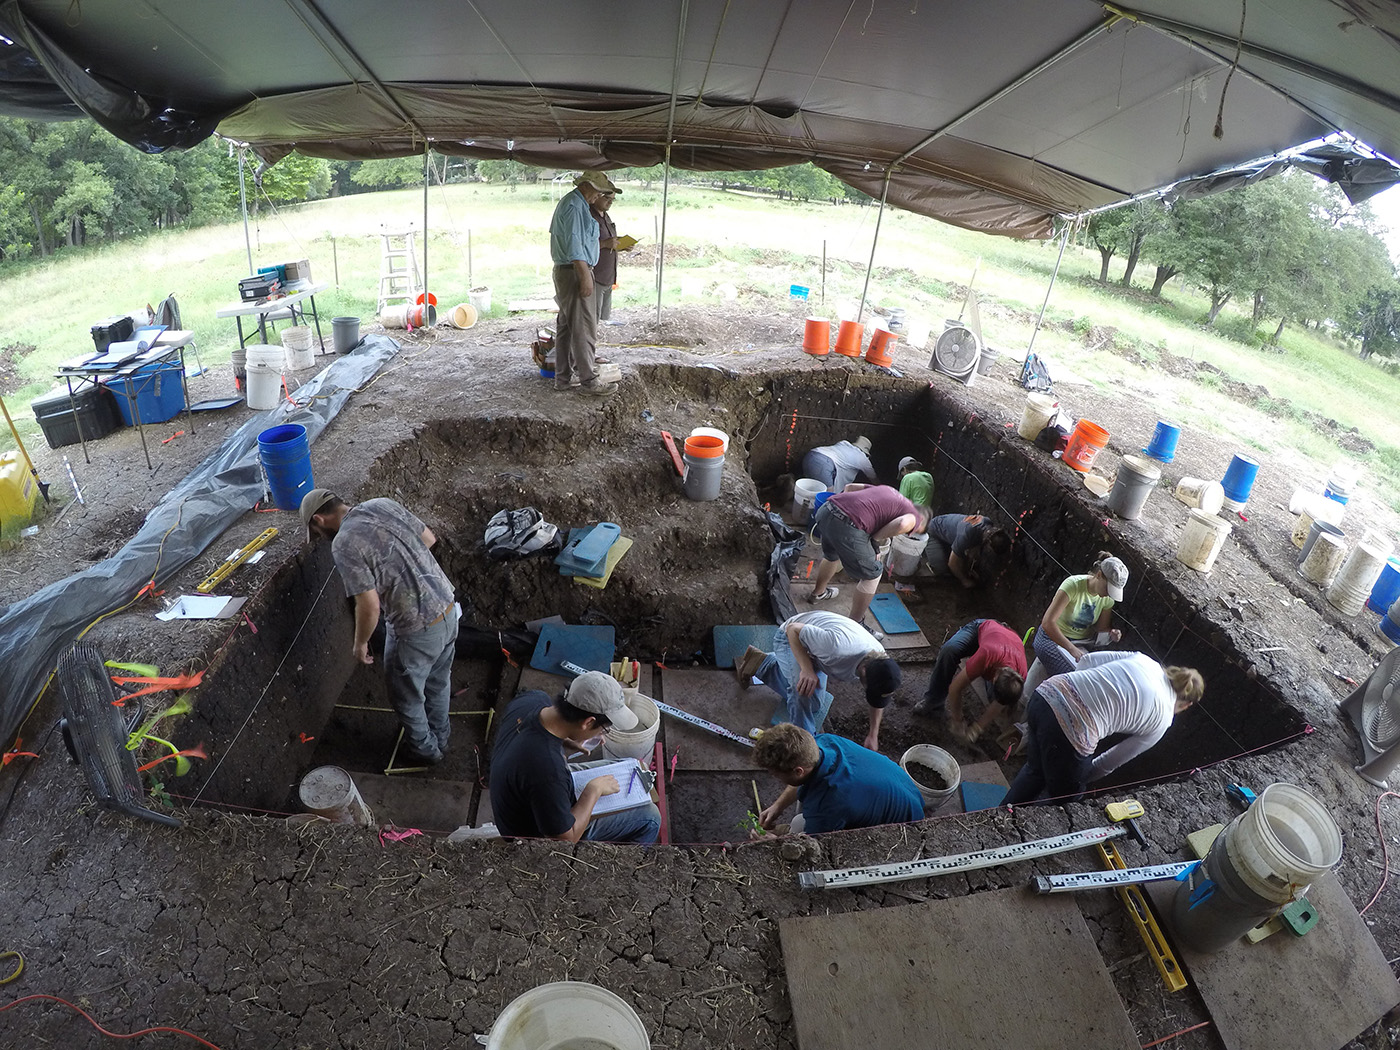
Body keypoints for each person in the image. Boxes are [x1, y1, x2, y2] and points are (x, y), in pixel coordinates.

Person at [302, 489, 460, 765]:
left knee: (406, 697)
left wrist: (360, 642)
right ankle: (441, 737)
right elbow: (429, 539)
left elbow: (369, 605)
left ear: (319, 518)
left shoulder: (344, 543)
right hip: (447, 607)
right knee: (438, 681)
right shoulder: (381, 504)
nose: (319, 538)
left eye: (315, 531)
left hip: (414, 629)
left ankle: (426, 753)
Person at [1003, 651, 1203, 805]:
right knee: (1067, 798)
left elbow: (1087, 661)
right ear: (1187, 705)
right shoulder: (1163, 720)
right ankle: (1025, 834)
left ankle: (1000, 816)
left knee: (1035, 769)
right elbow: (1110, 761)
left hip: (1046, 694)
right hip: (1072, 731)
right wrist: (1079, 780)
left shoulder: (1145, 660)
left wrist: (1071, 698)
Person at [489, 671, 661, 843]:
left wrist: (564, 741)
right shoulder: (549, 771)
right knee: (651, 817)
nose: (602, 734)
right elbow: (564, 838)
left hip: (521, 787)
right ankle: (620, 865)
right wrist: (592, 791)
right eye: (603, 728)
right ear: (587, 722)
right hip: (528, 831)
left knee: (627, 765)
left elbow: (531, 736)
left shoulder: (532, 699)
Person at [735, 611, 902, 752]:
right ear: (864, 671)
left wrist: (873, 734)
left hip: (816, 650)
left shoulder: (880, 662)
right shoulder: (837, 648)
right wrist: (806, 670)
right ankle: (804, 745)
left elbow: (877, 700)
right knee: (802, 690)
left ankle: (762, 664)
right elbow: (793, 630)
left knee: (814, 706)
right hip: (790, 638)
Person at [751, 723, 925, 835]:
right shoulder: (822, 743)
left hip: (904, 830)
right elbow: (803, 779)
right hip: (908, 793)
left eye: (775, 774)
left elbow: (811, 847)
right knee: (801, 819)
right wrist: (777, 806)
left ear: (798, 771)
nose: (774, 777)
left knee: (798, 826)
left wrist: (770, 841)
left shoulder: (830, 803)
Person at [808, 485, 929, 627]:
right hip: (848, 525)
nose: (913, 532)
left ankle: (818, 593)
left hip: (827, 509)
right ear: (922, 518)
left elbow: (849, 487)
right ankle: (856, 624)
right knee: (873, 573)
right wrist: (875, 540)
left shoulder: (890, 491)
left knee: (831, 555)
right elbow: (902, 523)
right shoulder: (915, 517)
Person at [548, 170, 619, 396]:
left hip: (570, 270)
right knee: (584, 327)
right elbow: (574, 244)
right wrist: (585, 274)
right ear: (587, 186)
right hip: (574, 271)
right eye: (598, 191)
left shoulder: (575, 204)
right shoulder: (574, 207)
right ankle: (589, 381)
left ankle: (563, 378)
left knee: (567, 326)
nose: (598, 196)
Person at [912, 619, 1026, 745]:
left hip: (1007, 640)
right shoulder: (988, 654)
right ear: (994, 677)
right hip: (981, 629)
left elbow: (1000, 702)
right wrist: (958, 720)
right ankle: (933, 702)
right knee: (949, 651)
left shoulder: (1019, 677)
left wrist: (977, 728)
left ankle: (984, 682)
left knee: (994, 696)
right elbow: (955, 688)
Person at [1031, 553, 1128, 679]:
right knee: (1075, 676)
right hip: (1051, 638)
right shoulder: (1073, 585)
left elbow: (1101, 628)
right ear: (1099, 575)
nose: (1108, 594)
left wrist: (1112, 633)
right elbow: (1048, 623)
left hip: (1081, 644)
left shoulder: (1107, 599)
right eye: (1107, 588)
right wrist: (1071, 649)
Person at [924, 513, 1011, 588]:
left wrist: (968, 566)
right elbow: (952, 564)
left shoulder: (988, 524)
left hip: (950, 533)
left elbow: (974, 548)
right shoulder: (966, 535)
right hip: (932, 532)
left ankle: (948, 550)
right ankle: (930, 558)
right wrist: (964, 580)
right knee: (942, 570)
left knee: (962, 559)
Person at [802, 436, 875, 493]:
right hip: (823, 464)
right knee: (828, 497)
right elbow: (874, 478)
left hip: (810, 456)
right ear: (866, 453)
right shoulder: (862, 458)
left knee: (808, 489)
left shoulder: (844, 444)